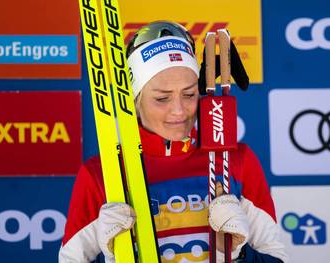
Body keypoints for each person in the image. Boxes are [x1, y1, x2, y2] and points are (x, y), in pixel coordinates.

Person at [59, 21, 288, 263]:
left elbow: (277, 258)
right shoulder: (102, 175)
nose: (179, 111)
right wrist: (114, 258)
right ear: (134, 101)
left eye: (189, 94)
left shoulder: (236, 161)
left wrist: (237, 253)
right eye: (162, 98)